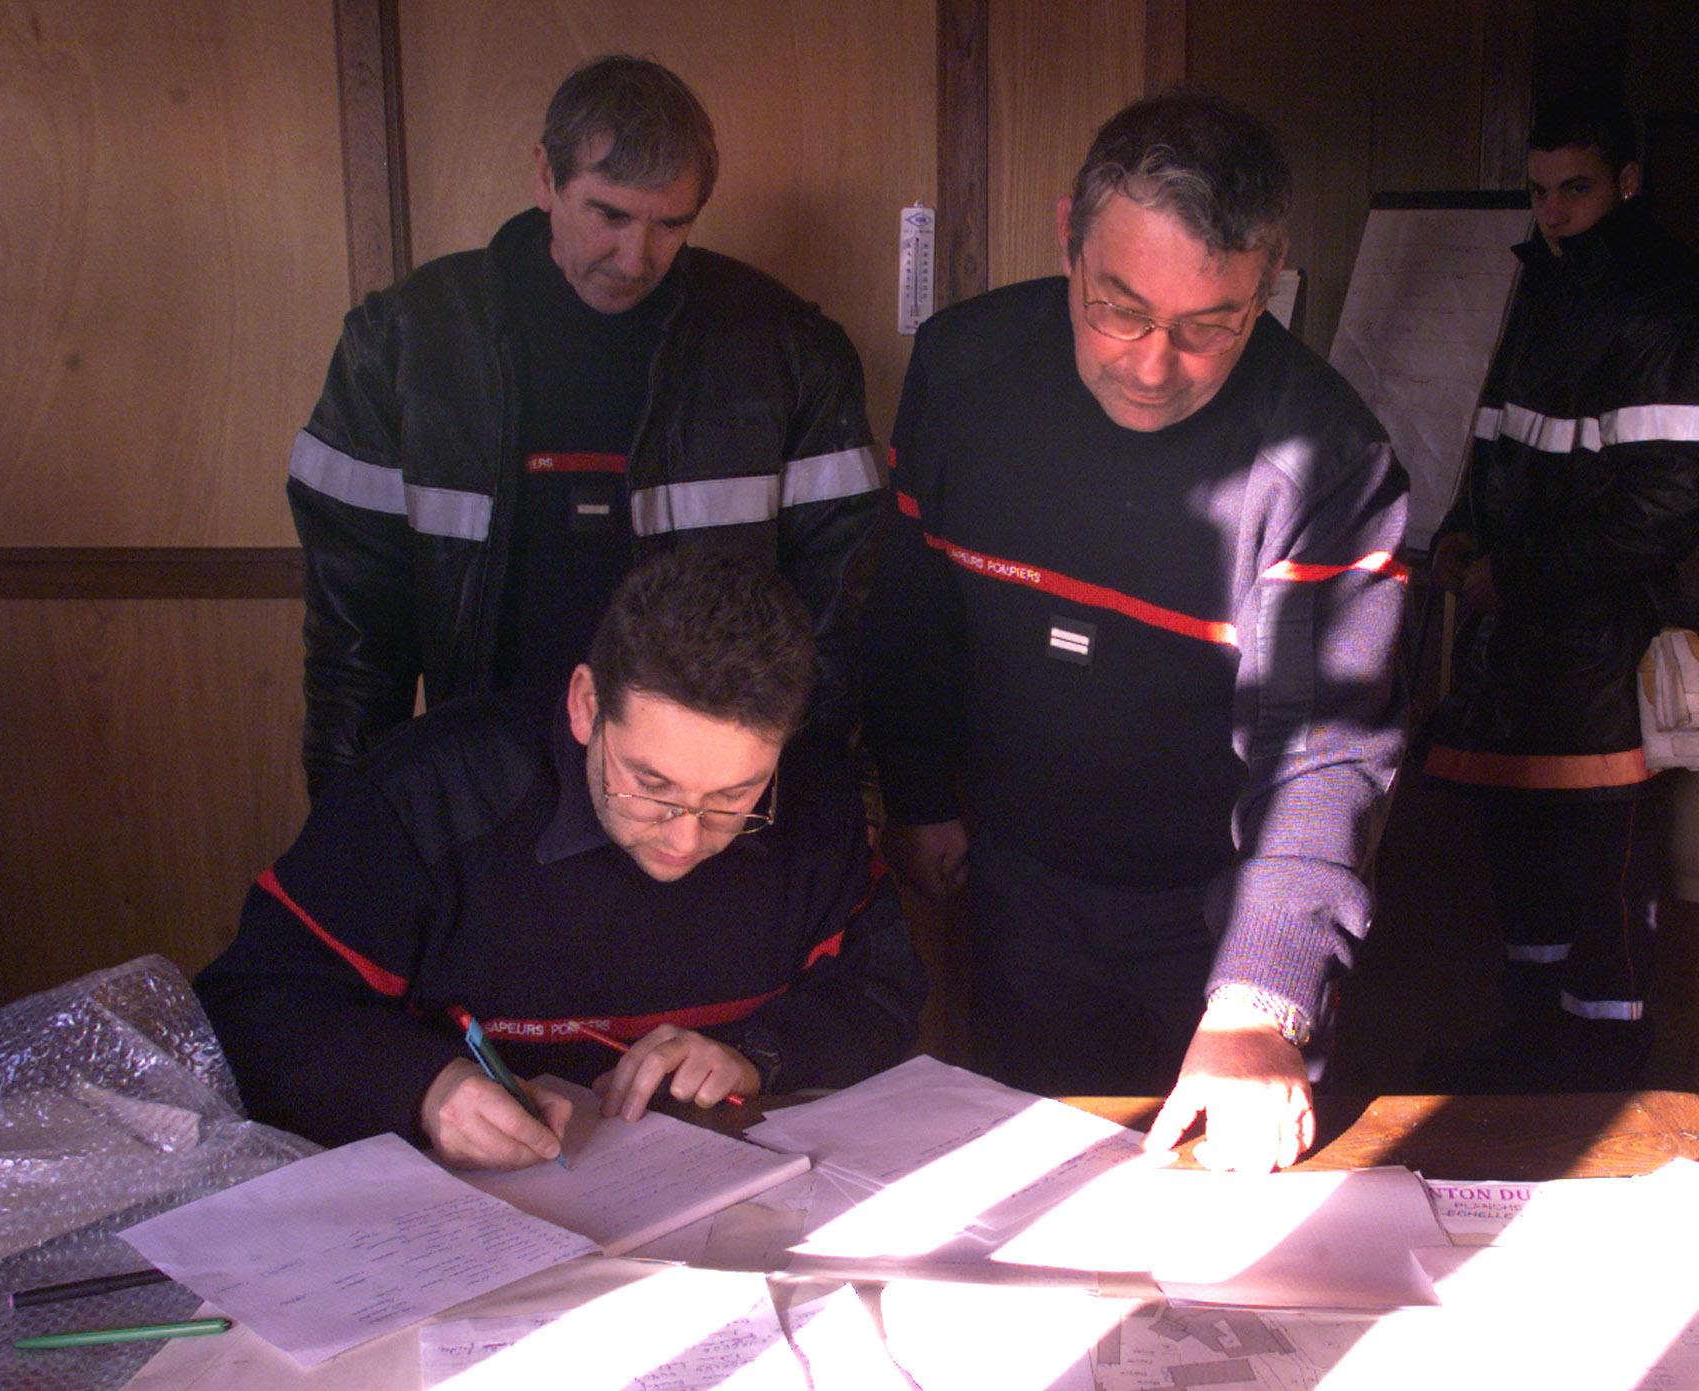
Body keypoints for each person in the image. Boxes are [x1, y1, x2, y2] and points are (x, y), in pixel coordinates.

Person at [861, 89, 1408, 1172]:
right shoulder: (964, 370)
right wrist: (918, 792)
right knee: (1034, 1185)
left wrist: (1265, 995)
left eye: (1211, 326)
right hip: (1013, 872)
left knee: (1226, 1223)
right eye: (1120, 308)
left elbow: (1326, 749)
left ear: (1271, 280)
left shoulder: (1325, 454)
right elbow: (914, 606)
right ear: (1070, 236)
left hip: (1223, 900)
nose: (1154, 366)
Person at [197, 550, 927, 1169]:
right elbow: (251, 1006)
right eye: (651, 785)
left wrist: (756, 1055)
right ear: (585, 706)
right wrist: (422, 1084)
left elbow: (882, 989)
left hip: (713, 1192)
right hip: (454, 1214)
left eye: (732, 797)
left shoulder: (817, 803)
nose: (683, 837)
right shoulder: (423, 800)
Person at [288, 55, 884, 796]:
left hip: (701, 799)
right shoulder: (404, 343)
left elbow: (837, 619)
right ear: (546, 176)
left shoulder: (787, 350)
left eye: (671, 224)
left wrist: (813, 810)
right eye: (610, 214)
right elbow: (354, 625)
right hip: (487, 781)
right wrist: (345, 812)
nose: (635, 258)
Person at [1422, 92, 1699, 1091]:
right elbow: (1497, 434)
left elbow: (1672, 499)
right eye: (1540, 192)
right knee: (1521, 848)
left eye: (1575, 188)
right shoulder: (1546, 281)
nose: (1554, 210)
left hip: (1601, 637)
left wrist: (1519, 569)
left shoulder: (1663, 297)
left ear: (1628, 180)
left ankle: (1603, 1071)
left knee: (1600, 863)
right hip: (1520, 638)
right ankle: (1529, 1044)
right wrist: (1458, 529)